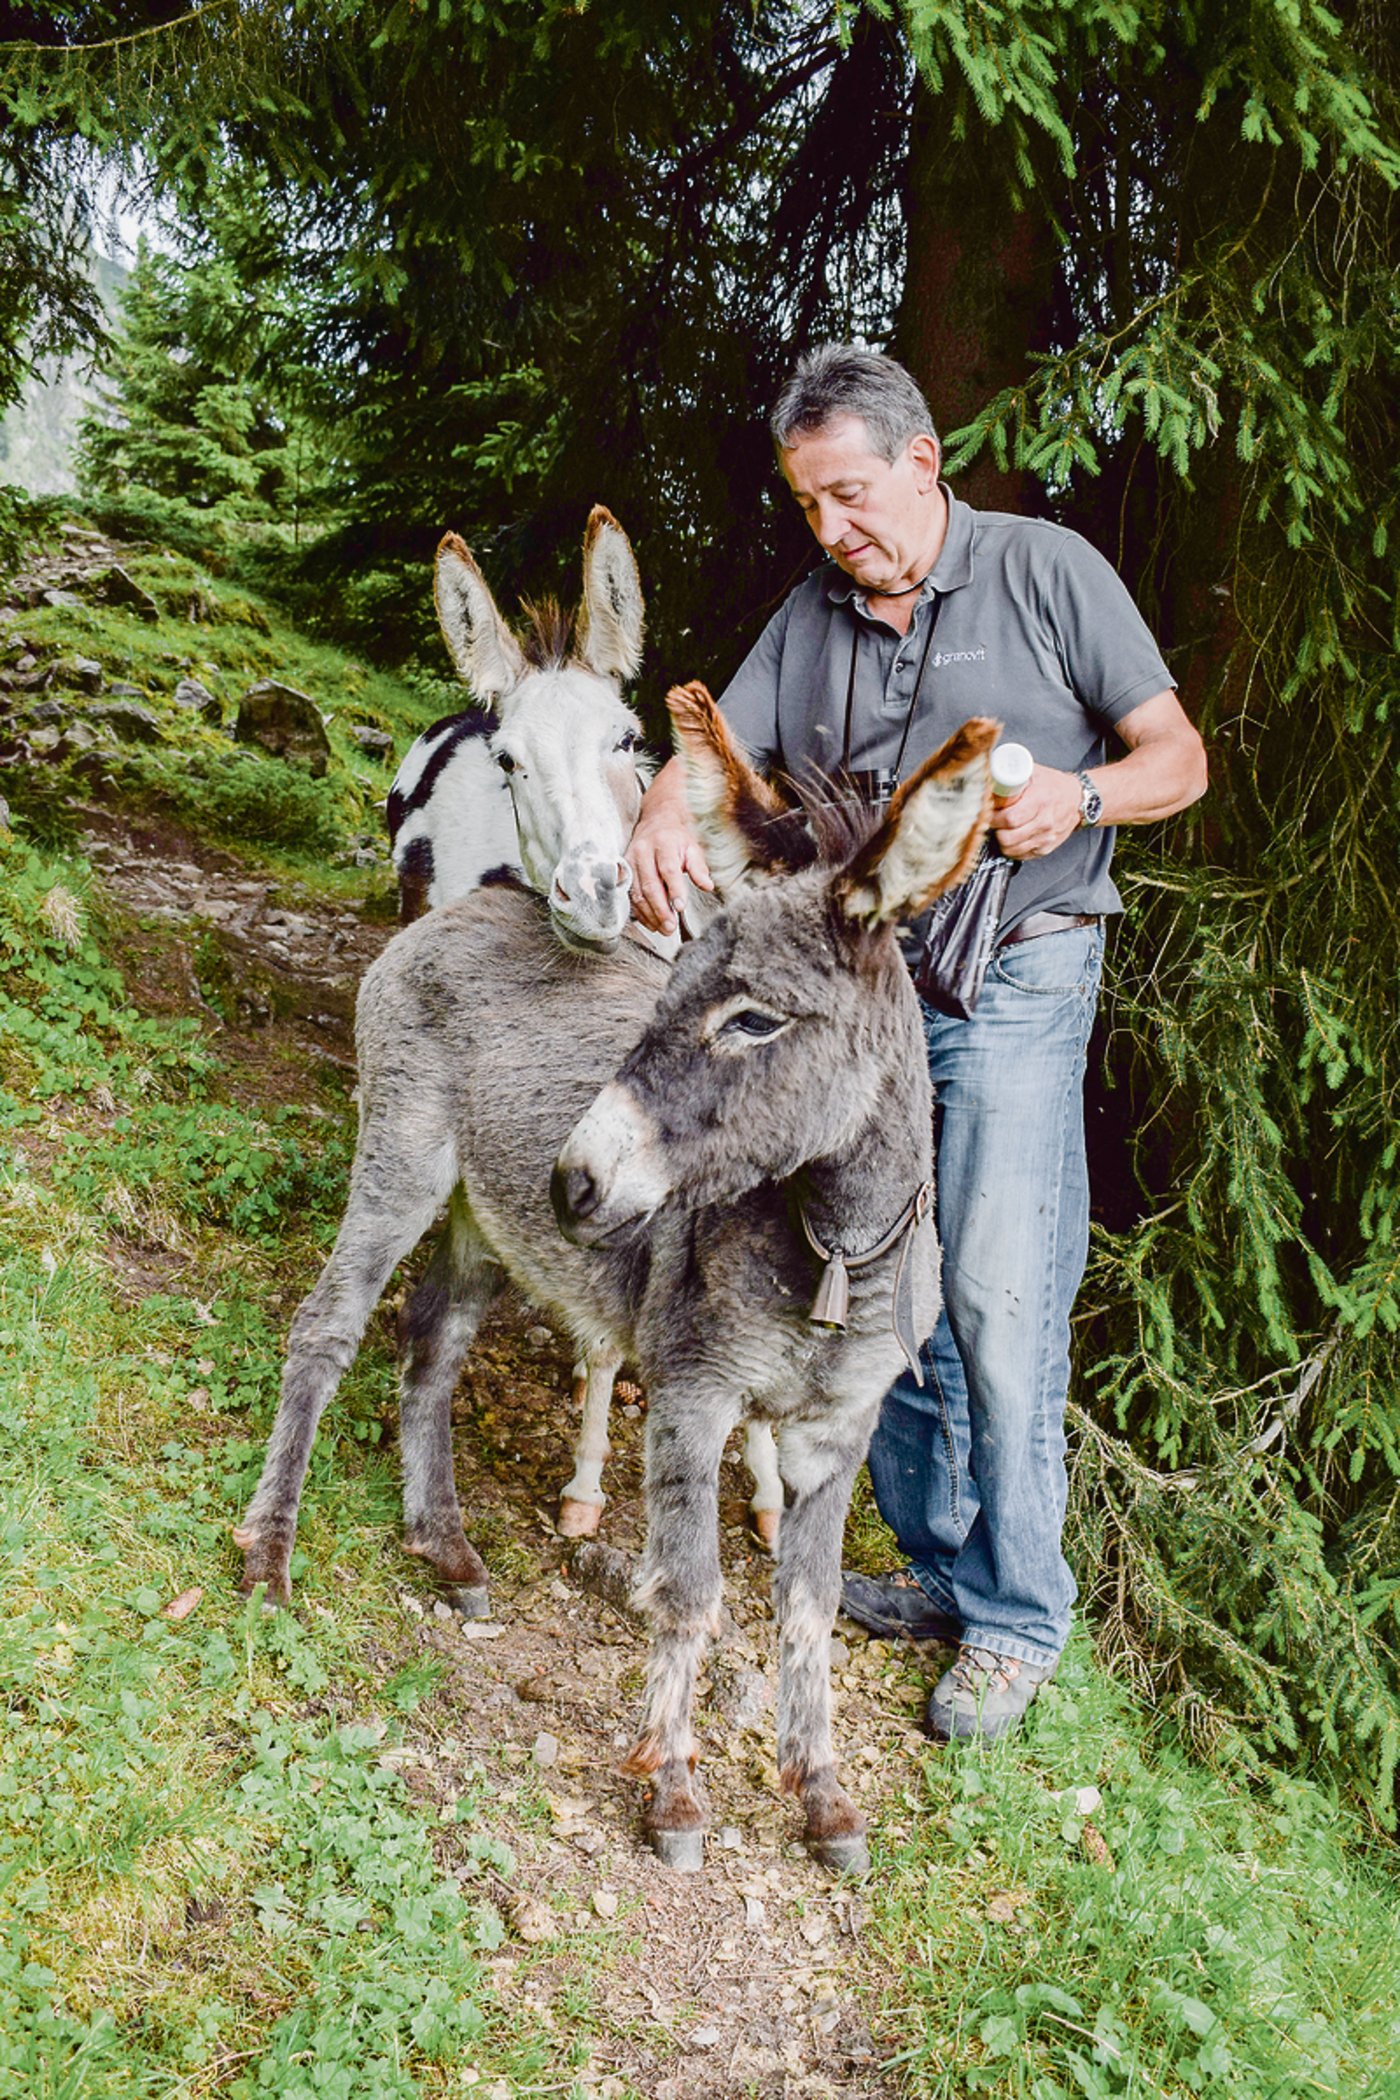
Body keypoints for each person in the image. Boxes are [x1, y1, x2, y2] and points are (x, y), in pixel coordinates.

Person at [627, 344, 1207, 1742]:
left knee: (1001, 1298)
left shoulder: (1045, 571)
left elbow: (1177, 760)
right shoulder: (817, 608)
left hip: (1016, 983)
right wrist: (659, 805)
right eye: (809, 508)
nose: (834, 532)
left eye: (851, 497)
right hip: (866, 1026)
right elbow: (721, 743)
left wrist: (1081, 795)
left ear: (922, 461)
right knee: (873, 1277)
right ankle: (940, 1567)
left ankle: (1017, 1618)